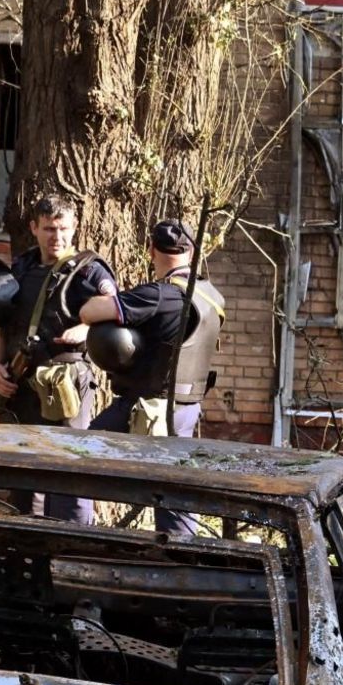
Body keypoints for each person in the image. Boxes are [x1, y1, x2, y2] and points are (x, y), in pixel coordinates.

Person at [73, 218, 226, 535]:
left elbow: (90, 313)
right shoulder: (212, 296)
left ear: (151, 250)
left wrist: (100, 297)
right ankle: (183, 558)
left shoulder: (160, 295)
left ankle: (73, 537)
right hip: (187, 409)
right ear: (192, 250)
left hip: (147, 409)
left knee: (79, 463)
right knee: (173, 486)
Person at [0, 193, 114, 524]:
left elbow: (117, 312)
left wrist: (86, 329)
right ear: (34, 228)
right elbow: (3, 325)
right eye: (48, 229)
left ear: (75, 228)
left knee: (69, 466)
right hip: (22, 381)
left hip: (66, 383)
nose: (56, 237)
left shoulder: (90, 271)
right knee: (22, 468)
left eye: (63, 228)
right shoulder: (22, 267)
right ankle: (26, 541)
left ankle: (73, 541)